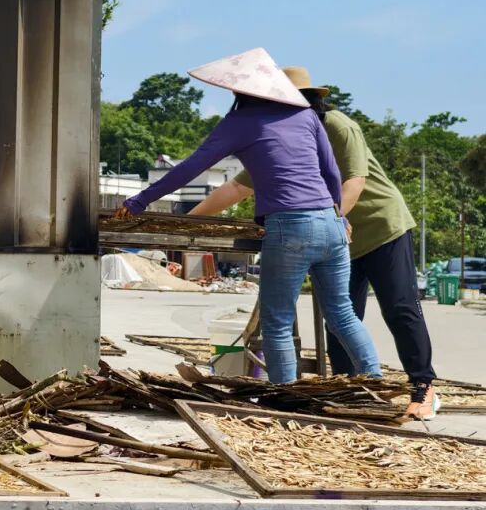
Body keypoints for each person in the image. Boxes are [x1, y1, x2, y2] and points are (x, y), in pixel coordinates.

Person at [119, 48, 381, 385]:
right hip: (331, 225)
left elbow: (189, 168)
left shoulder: (240, 122)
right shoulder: (306, 116)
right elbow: (330, 173)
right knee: (342, 313)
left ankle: (285, 397)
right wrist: (338, 216)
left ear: (244, 90)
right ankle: (373, 381)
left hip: (290, 227)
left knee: (278, 322)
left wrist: (141, 200)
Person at [191, 66, 439, 419]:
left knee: (399, 309)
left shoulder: (338, 125)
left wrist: (337, 218)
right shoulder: (282, 132)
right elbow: (237, 187)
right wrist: (192, 218)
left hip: (380, 227)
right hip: (336, 236)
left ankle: (422, 387)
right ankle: (349, 389)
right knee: (339, 317)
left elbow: (355, 180)